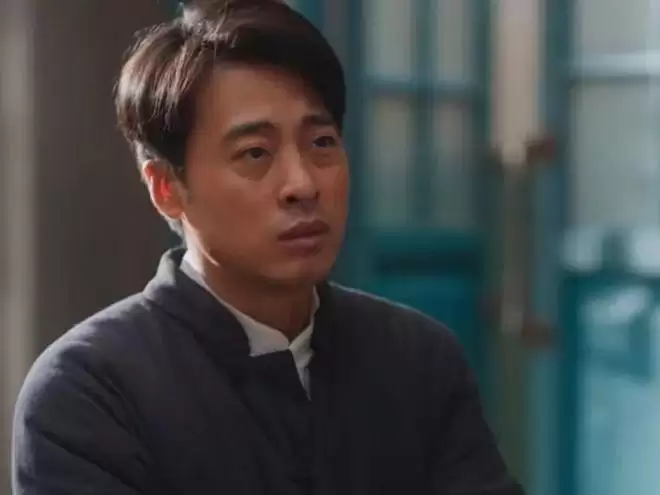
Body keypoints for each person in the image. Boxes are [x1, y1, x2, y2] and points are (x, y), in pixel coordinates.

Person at [11, 1, 523, 493]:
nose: (302, 184)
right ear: (167, 187)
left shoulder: (418, 360)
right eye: (255, 153)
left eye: (321, 143)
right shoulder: (89, 391)